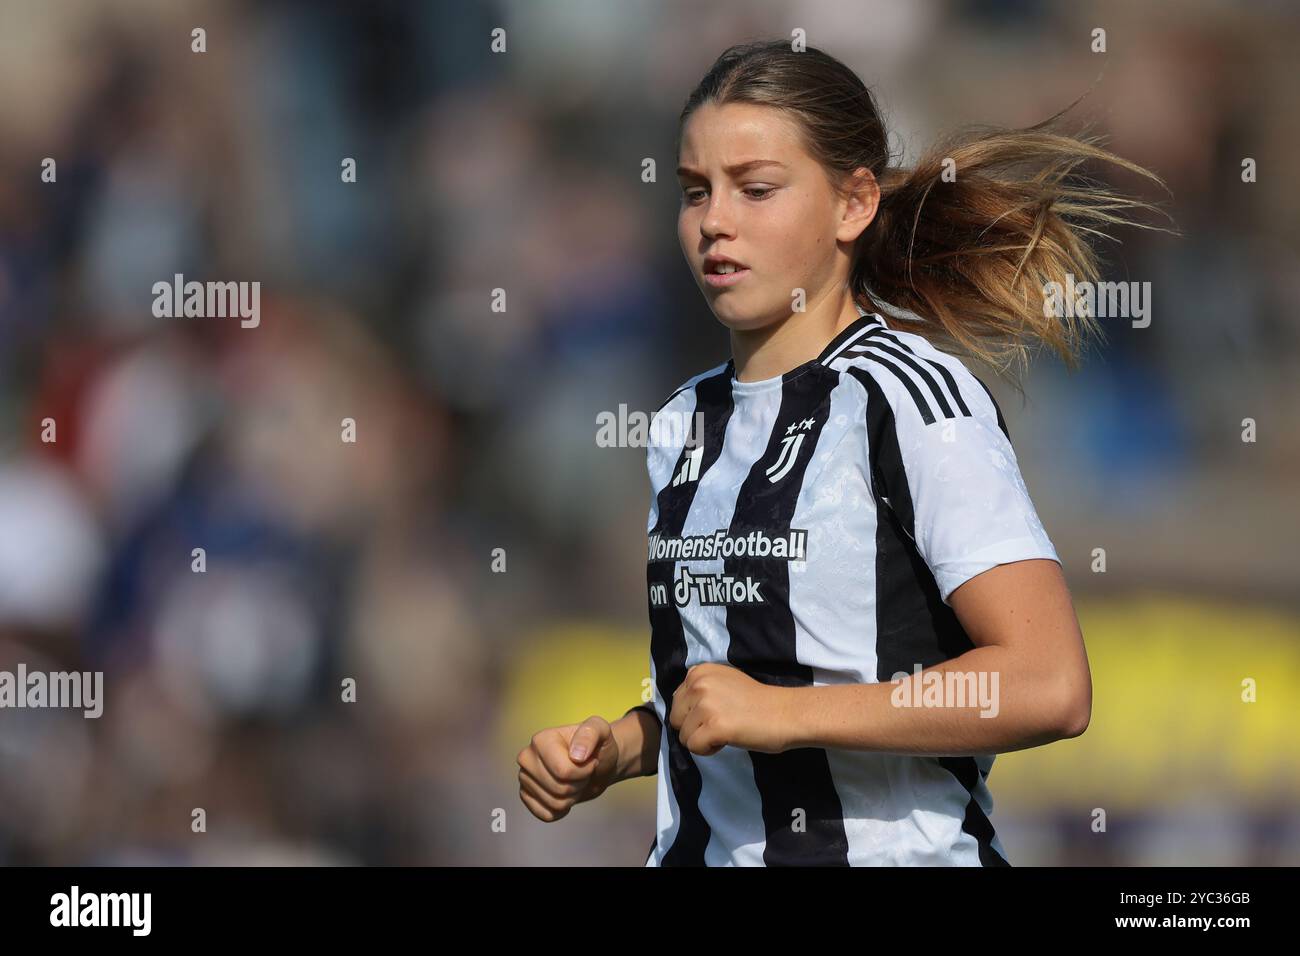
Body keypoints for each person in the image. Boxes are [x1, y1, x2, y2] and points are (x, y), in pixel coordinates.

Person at [517, 39, 1170, 866]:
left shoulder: (908, 399)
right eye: (694, 192)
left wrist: (790, 715)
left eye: (755, 189)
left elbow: (1049, 686)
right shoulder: (685, 421)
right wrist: (617, 747)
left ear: (854, 204)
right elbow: (726, 693)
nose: (715, 220)